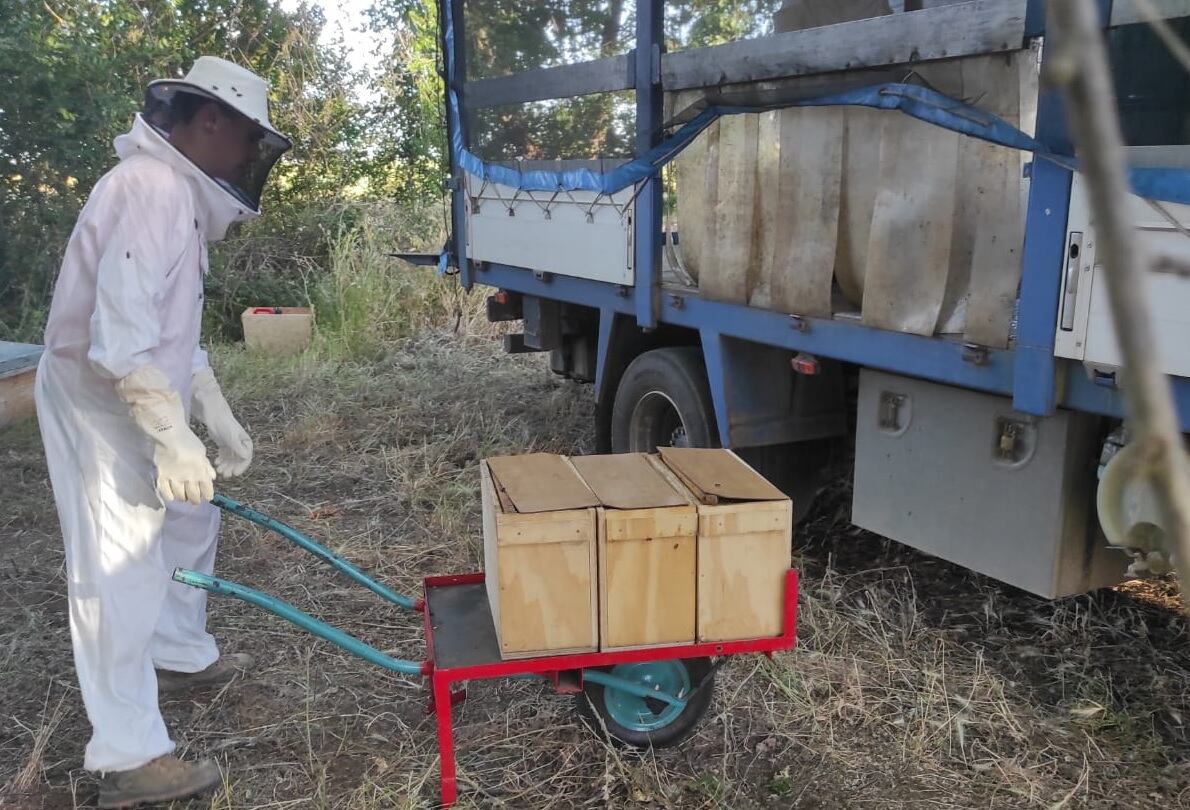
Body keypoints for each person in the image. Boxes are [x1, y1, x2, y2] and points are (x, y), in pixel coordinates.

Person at [34, 56, 291, 808]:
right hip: (97, 401)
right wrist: (170, 434)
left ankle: (177, 652)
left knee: (189, 515)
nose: (248, 157)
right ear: (210, 120)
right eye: (248, 138)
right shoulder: (149, 188)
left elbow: (167, 323)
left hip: (138, 392)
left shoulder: (173, 192)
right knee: (119, 563)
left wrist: (208, 405)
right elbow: (119, 340)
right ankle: (129, 757)